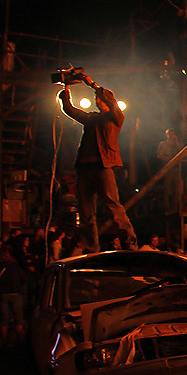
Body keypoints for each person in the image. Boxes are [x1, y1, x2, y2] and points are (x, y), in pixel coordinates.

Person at [58, 75, 137, 252]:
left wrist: (92, 84)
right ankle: (90, 248)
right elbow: (71, 111)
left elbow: (110, 100)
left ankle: (129, 243)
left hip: (103, 167)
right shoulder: (92, 119)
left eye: (100, 100)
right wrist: (65, 94)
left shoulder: (116, 118)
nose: (97, 102)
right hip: (84, 169)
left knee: (113, 206)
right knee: (86, 213)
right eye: (97, 100)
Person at [156, 128, 182, 214]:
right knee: (167, 188)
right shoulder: (163, 144)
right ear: (167, 135)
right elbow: (159, 156)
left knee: (176, 189)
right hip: (168, 168)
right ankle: (166, 207)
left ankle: (174, 207)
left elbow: (181, 152)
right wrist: (170, 159)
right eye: (170, 134)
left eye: (172, 134)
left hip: (176, 168)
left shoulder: (176, 145)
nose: (171, 136)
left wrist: (177, 142)